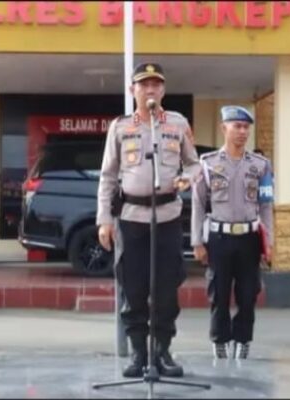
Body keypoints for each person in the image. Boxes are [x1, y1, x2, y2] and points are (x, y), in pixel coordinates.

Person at [97, 62, 201, 378]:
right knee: (134, 287)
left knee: (167, 287)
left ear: (163, 90)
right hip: (131, 218)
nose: (150, 90)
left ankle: (163, 352)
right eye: (144, 85)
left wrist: (187, 178)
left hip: (167, 216)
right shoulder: (120, 127)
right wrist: (104, 219)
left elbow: (195, 165)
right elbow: (108, 176)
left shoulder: (177, 124)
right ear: (133, 91)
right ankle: (140, 354)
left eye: (156, 84)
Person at [190, 106, 274, 360]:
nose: (242, 132)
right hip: (219, 237)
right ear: (223, 128)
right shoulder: (208, 164)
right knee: (220, 292)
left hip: (249, 238)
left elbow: (266, 205)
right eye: (236, 126)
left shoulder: (260, 165)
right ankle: (220, 340)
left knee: (249, 293)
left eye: (246, 127)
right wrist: (197, 241)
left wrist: (268, 241)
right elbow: (197, 204)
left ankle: (243, 339)